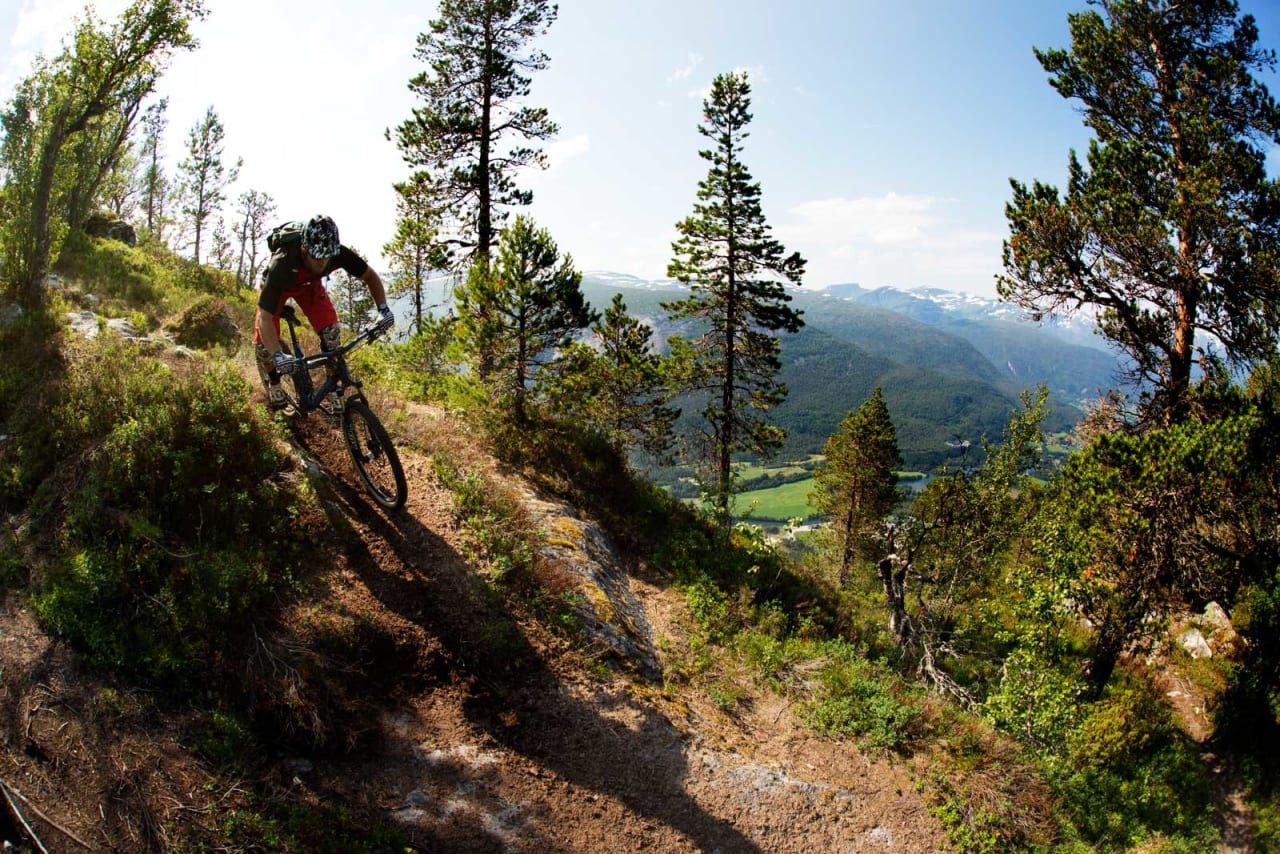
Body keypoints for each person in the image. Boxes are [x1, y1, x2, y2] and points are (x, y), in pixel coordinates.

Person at [254, 214, 393, 409]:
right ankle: (274, 383)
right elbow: (265, 317)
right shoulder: (282, 263)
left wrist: (383, 309)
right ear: (304, 249)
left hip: (310, 286)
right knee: (264, 348)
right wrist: (277, 355)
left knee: (332, 335)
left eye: (327, 257)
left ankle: (331, 387)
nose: (322, 263)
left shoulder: (337, 252)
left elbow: (370, 276)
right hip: (280, 287)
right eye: (317, 257)